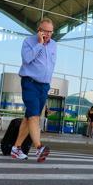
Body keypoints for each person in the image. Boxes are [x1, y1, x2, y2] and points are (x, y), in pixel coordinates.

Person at [11, 18, 57, 162]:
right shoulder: (28, 42)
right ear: (39, 30)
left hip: (44, 86)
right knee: (34, 116)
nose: (48, 34)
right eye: (45, 31)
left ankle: (16, 148)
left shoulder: (54, 45)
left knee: (28, 117)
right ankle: (39, 147)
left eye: (50, 31)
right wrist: (40, 44)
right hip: (30, 83)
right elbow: (27, 59)